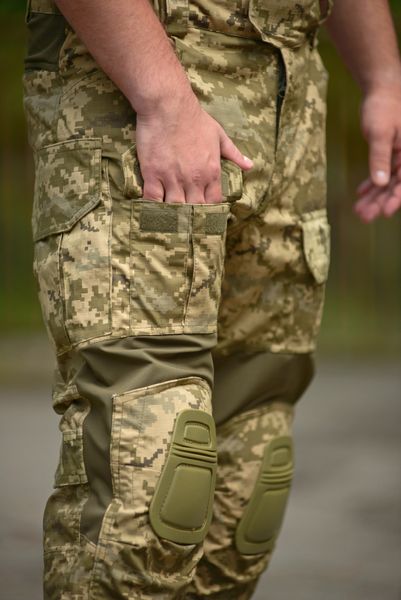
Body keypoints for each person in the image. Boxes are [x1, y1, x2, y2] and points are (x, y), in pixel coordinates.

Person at [23, 0, 401, 598]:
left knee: (245, 498)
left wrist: (384, 78)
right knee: (146, 497)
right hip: (145, 91)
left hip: (291, 99)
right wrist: (164, 101)